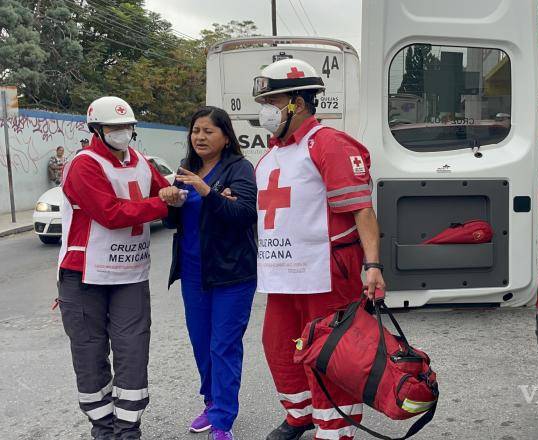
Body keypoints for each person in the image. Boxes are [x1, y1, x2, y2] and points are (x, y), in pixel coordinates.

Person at [252, 58, 386, 440]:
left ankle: (335, 429)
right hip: (282, 273)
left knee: (330, 352)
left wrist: (373, 264)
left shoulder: (328, 143)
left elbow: (361, 208)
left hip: (326, 270)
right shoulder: (271, 154)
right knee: (279, 346)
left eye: (273, 100)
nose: (266, 109)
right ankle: (301, 416)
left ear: (298, 101)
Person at [56, 96, 172, 440]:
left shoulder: (139, 160)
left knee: (133, 351)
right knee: (90, 354)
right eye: (115, 128)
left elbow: (162, 189)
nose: (123, 133)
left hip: (130, 273)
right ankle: (103, 430)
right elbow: (109, 213)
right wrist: (162, 204)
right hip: (83, 275)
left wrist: (176, 195)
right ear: (97, 130)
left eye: (128, 127)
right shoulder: (84, 164)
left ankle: (128, 429)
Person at [159, 106, 258, 440]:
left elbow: (243, 214)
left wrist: (207, 192)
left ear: (226, 136)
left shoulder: (239, 169)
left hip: (232, 275)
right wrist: (171, 203)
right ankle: (211, 401)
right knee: (202, 344)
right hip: (193, 273)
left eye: (208, 131)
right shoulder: (186, 169)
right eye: (195, 130)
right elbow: (175, 222)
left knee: (224, 346)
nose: (199, 137)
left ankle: (223, 420)